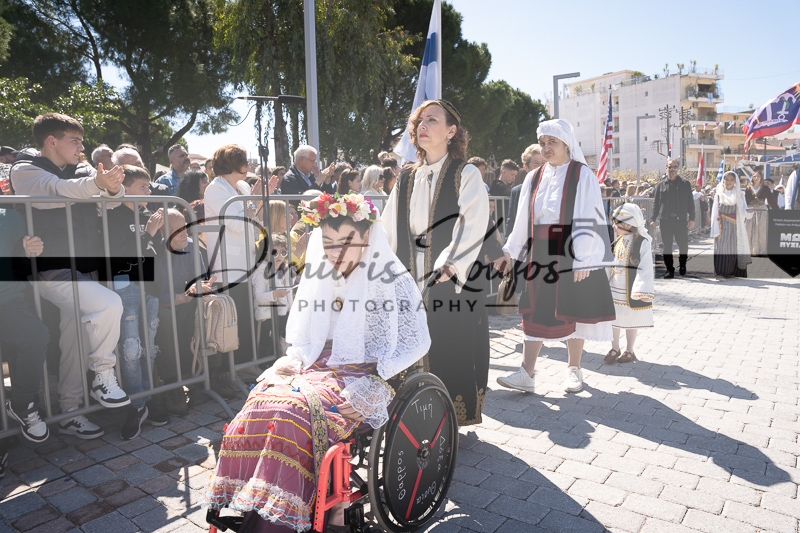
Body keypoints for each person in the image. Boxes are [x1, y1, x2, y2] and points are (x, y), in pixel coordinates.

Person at [201, 192, 431, 532]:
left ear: (367, 236)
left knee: (291, 413)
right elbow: (306, 335)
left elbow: (414, 344)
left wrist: (378, 386)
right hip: (317, 362)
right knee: (261, 400)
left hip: (365, 371)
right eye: (328, 243)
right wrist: (293, 358)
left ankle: (287, 517)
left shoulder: (392, 279)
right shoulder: (321, 273)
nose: (335, 252)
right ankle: (252, 506)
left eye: (346, 242)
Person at [10, 113, 128, 439]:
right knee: (108, 305)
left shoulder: (84, 169)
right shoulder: (24, 169)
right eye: (74, 140)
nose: (81, 147)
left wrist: (112, 188)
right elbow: (57, 192)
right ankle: (103, 374)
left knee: (75, 340)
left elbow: (112, 201)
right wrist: (98, 185)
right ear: (51, 141)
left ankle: (70, 412)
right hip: (50, 269)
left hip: (84, 266)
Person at [383, 99, 491, 426]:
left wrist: (450, 262)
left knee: (449, 344)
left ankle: (446, 419)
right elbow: (387, 229)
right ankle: (409, 417)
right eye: (419, 121)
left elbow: (472, 221)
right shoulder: (406, 177)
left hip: (451, 275)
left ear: (451, 131)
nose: (423, 126)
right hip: (409, 270)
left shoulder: (465, 173)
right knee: (406, 342)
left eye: (432, 120)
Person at [496, 119, 615, 394]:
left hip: (571, 250)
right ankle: (526, 374)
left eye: (552, 142)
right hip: (539, 252)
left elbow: (591, 216)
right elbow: (523, 218)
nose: (546, 147)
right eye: (543, 143)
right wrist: (510, 251)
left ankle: (574, 369)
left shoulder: (582, 174)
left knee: (573, 310)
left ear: (566, 144)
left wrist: (584, 258)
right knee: (534, 309)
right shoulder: (533, 177)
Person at [107, 165, 171, 439]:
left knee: (150, 346)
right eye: (142, 187)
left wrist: (152, 234)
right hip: (127, 286)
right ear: (125, 189)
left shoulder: (148, 215)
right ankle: (135, 404)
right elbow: (123, 254)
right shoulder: (113, 216)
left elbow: (157, 254)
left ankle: (148, 398)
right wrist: (149, 234)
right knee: (131, 349)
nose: (148, 192)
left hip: (150, 286)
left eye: (149, 187)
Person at [0, 209, 50, 442]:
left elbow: (19, 260)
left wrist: (31, 251)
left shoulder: (8, 216)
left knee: (36, 335)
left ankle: (22, 405)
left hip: (9, 302)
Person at [603, 203, 654, 365]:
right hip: (615, 288)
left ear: (627, 225)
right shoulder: (618, 241)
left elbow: (645, 268)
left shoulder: (642, 242)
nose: (613, 226)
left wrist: (642, 290)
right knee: (613, 318)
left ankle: (629, 350)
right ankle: (614, 348)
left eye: (616, 223)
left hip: (631, 289)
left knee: (631, 319)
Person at [649, 159, 695, 278]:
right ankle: (669, 270)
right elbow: (656, 203)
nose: (672, 169)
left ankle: (682, 264)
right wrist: (653, 218)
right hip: (666, 220)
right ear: (667, 169)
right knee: (667, 246)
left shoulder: (685, 184)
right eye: (670, 167)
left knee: (683, 245)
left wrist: (692, 218)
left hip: (681, 220)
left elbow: (690, 202)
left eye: (674, 167)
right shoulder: (661, 185)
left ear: (678, 168)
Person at [252, 233, 294, 357]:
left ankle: (282, 357)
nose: (279, 256)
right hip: (267, 316)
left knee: (283, 337)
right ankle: (266, 362)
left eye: (283, 252)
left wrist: (291, 303)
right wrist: (274, 294)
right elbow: (259, 297)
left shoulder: (285, 270)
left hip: (283, 312)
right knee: (267, 345)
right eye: (274, 252)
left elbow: (288, 292)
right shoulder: (261, 273)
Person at [710, 171, 753, 280]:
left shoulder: (739, 194)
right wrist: (714, 228)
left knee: (734, 248)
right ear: (723, 180)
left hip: (735, 226)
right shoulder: (719, 194)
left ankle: (731, 272)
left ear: (735, 181)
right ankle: (721, 273)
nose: (729, 182)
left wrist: (749, 211)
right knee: (722, 248)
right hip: (722, 225)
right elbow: (714, 212)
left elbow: (744, 210)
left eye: (731, 180)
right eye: (727, 179)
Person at [507, 144, 545, 236]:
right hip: (523, 239)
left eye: (544, 163)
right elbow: (511, 221)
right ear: (526, 167)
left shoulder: (553, 188)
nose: (541, 167)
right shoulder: (516, 191)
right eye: (536, 163)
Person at [744, 170, 777, 256]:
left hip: (761, 211)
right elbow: (745, 201)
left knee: (762, 231)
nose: (756, 178)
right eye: (754, 176)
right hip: (751, 211)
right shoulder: (748, 188)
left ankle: (762, 251)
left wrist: (776, 210)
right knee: (749, 230)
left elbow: (771, 200)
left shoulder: (765, 188)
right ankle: (750, 251)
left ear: (761, 177)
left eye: (758, 176)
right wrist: (745, 210)